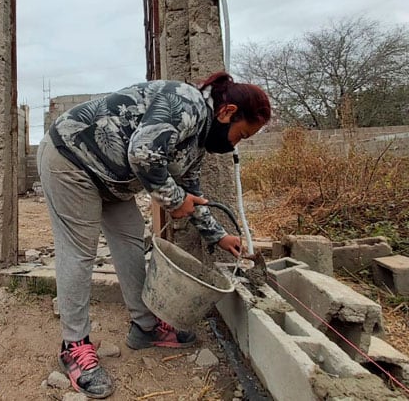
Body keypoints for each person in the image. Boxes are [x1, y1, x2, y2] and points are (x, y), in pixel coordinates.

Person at [37, 72, 271, 398]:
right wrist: (173, 200)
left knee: (131, 239)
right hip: (71, 158)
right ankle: (73, 345)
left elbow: (191, 192)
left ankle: (145, 328)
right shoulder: (185, 103)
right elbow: (142, 153)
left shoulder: (198, 139)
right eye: (241, 135)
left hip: (110, 178)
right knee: (79, 250)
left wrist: (218, 236)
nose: (235, 144)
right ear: (227, 112)